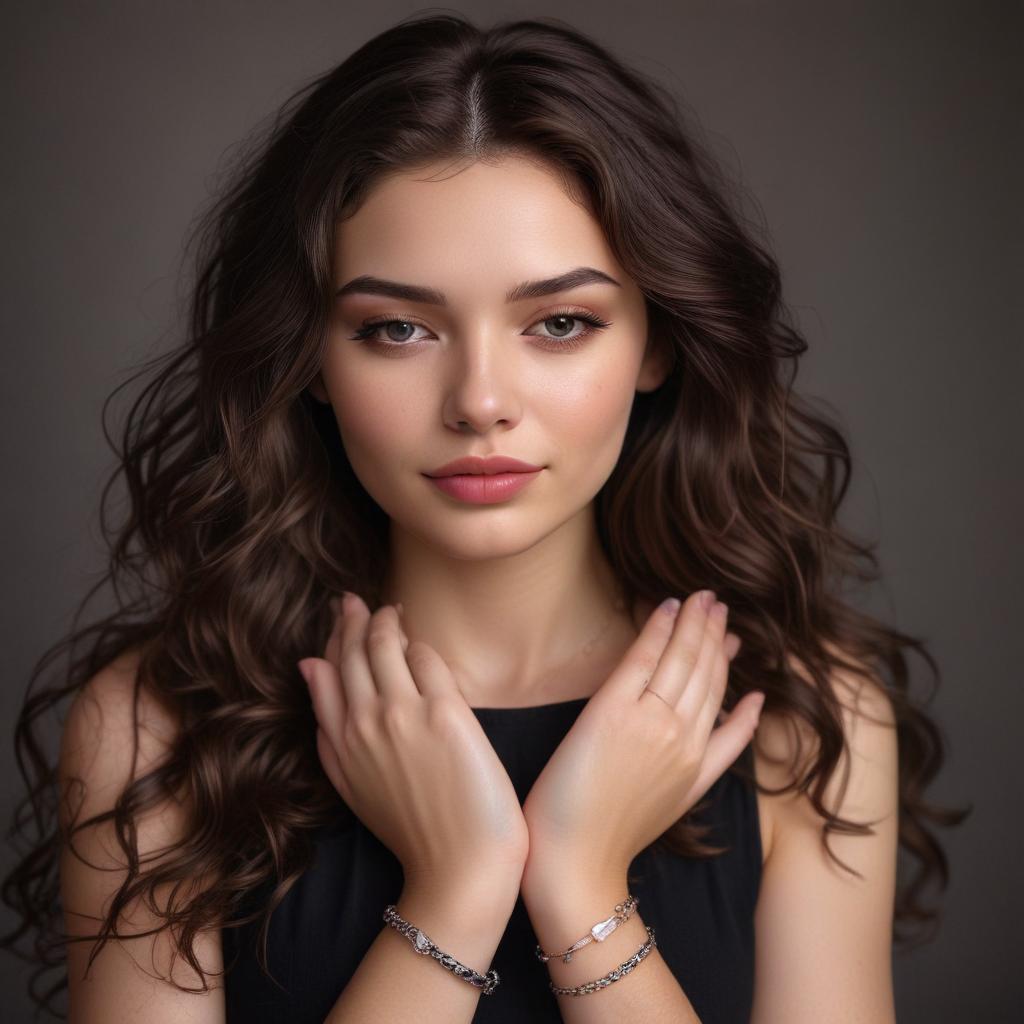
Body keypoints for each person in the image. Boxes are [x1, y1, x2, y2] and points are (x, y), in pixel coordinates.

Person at [1, 12, 968, 1024]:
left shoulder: (807, 720)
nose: (480, 400)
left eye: (559, 323)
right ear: (311, 362)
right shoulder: (155, 729)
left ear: (657, 345)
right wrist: (455, 895)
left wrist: (582, 887)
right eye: (398, 329)